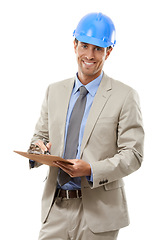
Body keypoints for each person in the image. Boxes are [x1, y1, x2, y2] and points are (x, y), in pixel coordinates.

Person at [29, 12, 144, 240]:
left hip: (100, 212)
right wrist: (38, 150)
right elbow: (38, 138)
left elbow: (134, 154)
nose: (89, 55)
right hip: (56, 209)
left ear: (108, 51)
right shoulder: (54, 91)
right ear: (75, 45)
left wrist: (91, 170)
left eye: (98, 49)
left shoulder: (125, 96)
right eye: (85, 46)